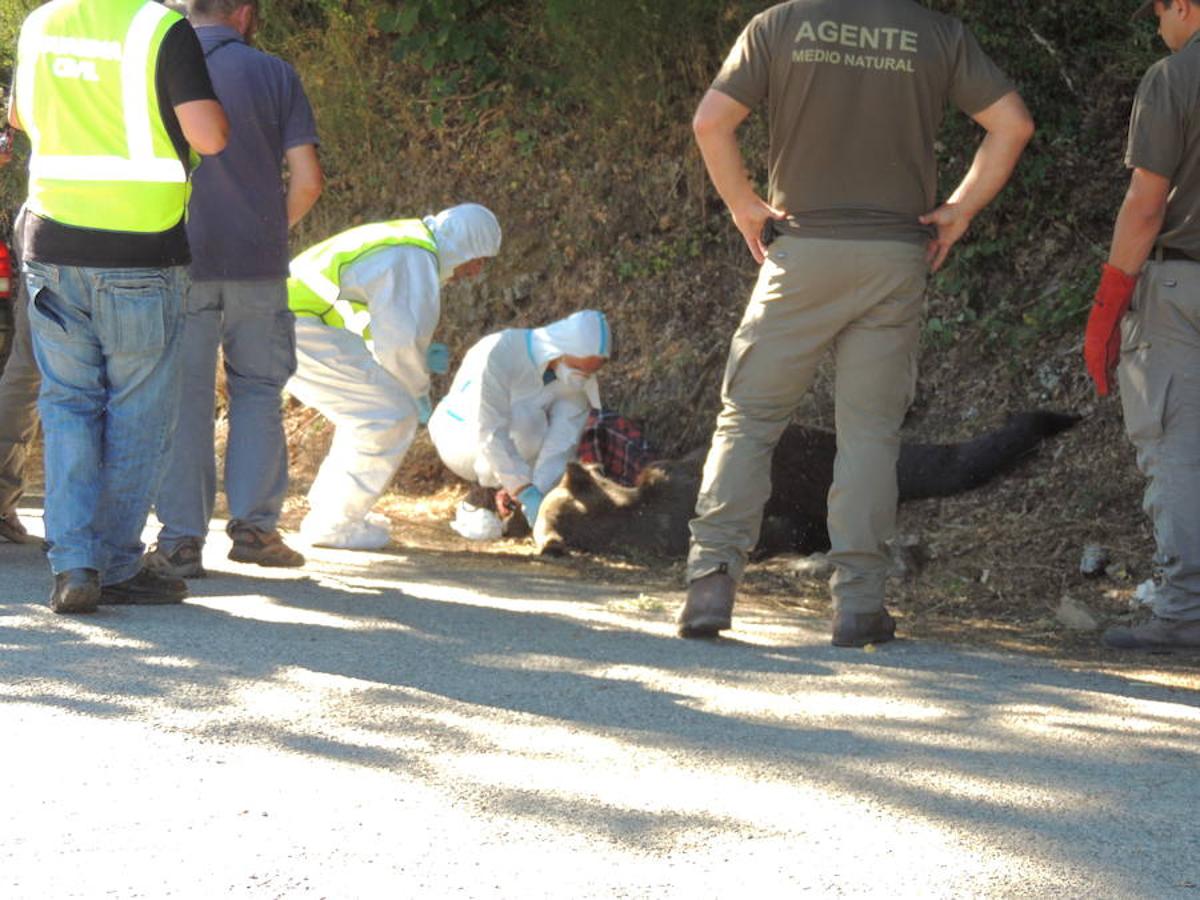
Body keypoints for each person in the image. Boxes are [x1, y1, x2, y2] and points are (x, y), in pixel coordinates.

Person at [681, 0, 1033, 645]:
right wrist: (959, 209)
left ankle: (712, 581)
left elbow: (712, 123)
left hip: (802, 253)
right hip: (894, 259)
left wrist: (742, 205)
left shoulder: (781, 24)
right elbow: (1011, 124)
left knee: (751, 419)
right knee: (869, 434)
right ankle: (858, 605)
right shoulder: (938, 34)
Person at [10, 0, 228, 613]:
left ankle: (74, 564)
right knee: (138, 411)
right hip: (139, 253)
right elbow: (209, 135)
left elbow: (22, 116)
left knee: (68, 404)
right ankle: (117, 561)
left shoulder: (41, 22)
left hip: (51, 244)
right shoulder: (160, 27)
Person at [146, 0, 323, 579]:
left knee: (186, 401)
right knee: (256, 392)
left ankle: (180, 541)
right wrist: (271, 232)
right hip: (257, 264)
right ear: (244, 13)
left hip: (178, 258)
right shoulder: (274, 73)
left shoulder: (157, 62)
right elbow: (308, 179)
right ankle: (253, 528)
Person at [286, 204, 501, 550]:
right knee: (388, 414)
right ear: (467, 247)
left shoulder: (407, 243)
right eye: (480, 260)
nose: (476, 272)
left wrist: (412, 369)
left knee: (367, 413)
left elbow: (372, 322)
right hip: (296, 327)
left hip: (287, 321)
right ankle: (335, 523)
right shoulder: (415, 258)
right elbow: (400, 342)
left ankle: (333, 512)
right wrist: (417, 391)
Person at [1087, 0, 1200, 652]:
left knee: (1178, 445)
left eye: (1158, 12)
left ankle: (1185, 609)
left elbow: (1147, 202)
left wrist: (1109, 303)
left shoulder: (1175, 76)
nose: (1158, 27)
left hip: (1183, 284)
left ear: (1181, 5)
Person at [428, 310, 610, 539]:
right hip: (459, 435)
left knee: (488, 529)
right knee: (528, 424)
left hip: (510, 448)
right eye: (578, 367)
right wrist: (525, 491)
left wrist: (541, 498)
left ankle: (504, 501)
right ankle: (484, 494)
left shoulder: (575, 383)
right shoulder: (502, 350)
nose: (583, 376)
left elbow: (562, 444)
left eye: (591, 371)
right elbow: (490, 429)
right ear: (560, 349)